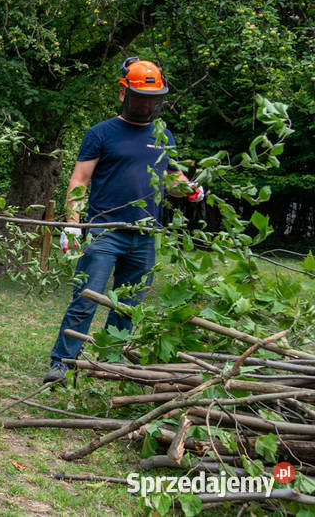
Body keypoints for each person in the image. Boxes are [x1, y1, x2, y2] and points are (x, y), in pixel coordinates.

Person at [42, 57, 204, 384]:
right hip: (104, 232)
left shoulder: (163, 135)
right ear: (123, 94)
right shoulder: (101, 133)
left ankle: (109, 362)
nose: (146, 105)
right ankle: (62, 363)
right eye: (141, 98)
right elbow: (79, 180)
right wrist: (72, 223)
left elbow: (171, 180)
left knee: (128, 306)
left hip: (145, 234)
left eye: (153, 99)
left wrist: (189, 189)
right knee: (86, 298)